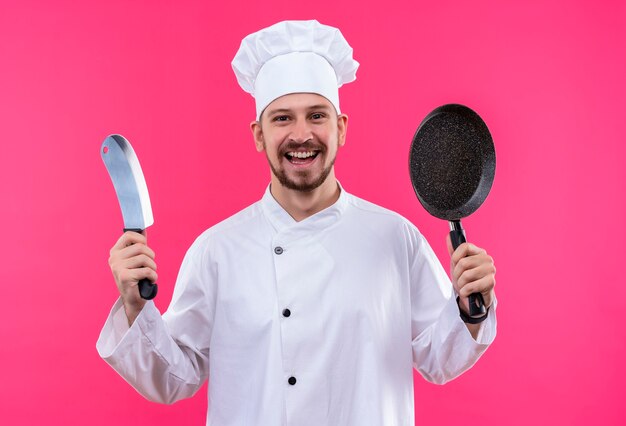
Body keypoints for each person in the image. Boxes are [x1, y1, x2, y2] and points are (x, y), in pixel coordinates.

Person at [97, 20, 497, 426]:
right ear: (258, 134)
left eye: (317, 115)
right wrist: (135, 306)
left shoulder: (396, 239)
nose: (301, 134)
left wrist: (468, 309)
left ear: (340, 128)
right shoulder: (217, 250)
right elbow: (172, 379)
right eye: (283, 118)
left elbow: (439, 360)